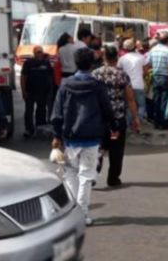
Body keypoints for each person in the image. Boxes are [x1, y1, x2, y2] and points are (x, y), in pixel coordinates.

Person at [51, 48, 118, 226]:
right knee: (86, 175)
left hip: (71, 137)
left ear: (75, 63)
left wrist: (56, 135)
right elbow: (107, 110)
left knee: (71, 174)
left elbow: (57, 113)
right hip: (92, 137)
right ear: (91, 64)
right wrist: (113, 127)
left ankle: (73, 212)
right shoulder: (97, 86)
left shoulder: (65, 85)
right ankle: (82, 213)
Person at [93, 45, 140, 187]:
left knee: (98, 148)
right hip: (117, 119)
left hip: (99, 119)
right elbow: (130, 98)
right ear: (117, 58)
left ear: (104, 57)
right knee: (116, 149)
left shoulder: (95, 74)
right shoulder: (122, 75)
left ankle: (92, 175)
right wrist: (135, 117)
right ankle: (113, 178)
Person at [21, 45, 55, 138]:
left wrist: (50, 91)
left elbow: (50, 77)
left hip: (43, 92)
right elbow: (23, 77)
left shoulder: (46, 63)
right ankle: (29, 129)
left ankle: (40, 129)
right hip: (30, 91)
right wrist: (23, 91)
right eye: (38, 52)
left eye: (41, 52)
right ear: (34, 53)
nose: (40, 54)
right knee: (29, 111)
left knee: (41, 110)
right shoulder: (28, 63)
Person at [118, 39, 150, 126]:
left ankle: (129, 124)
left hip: (127, 86)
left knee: (128, 106)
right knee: (141, 105)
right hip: (139, 84)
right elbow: (146, 71)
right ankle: (137, 121)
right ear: (135, 47)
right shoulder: (141, 57)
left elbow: (119, 71)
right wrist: (140, 75)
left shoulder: (122, 59)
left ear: (124, 48)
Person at [148, 33, 168, 130]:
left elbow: (149, 63)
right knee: (164, 101)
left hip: (155, 76)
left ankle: (156, 123)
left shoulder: (153, 50)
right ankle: (163, 123)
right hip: (165, 77)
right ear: (167, 41)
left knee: (156, 100)